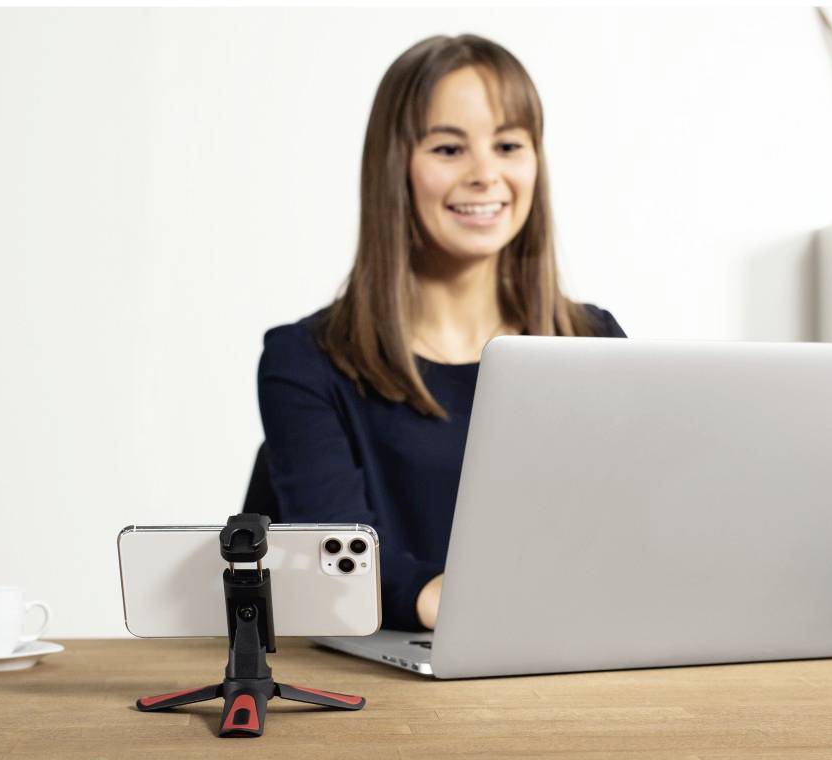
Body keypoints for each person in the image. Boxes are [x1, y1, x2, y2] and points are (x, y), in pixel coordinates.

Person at [257, 33, 625, 632]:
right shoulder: (305, 361)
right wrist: (465, 605)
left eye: (509, 145)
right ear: (394, 167)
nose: (486, 175)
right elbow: (336, 569)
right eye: (449, 149)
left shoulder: (593, 342)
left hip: (568, 658)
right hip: (386, 672)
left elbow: (629, 536)